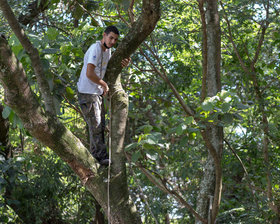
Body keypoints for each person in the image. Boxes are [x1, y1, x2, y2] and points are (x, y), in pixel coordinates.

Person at [77, 26, 130, 165]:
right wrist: (104, 84)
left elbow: (109, 67)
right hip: (88, 92)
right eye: (111, 37)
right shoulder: (96, 49)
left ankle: (99, 156)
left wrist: (123, 63)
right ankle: (99, 158)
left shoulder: (108, 51)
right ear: (104, 35)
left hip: (96, 93)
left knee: (100, 126)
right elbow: (89, 73)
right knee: (96, 125)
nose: (112, 41)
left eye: (115, 39)